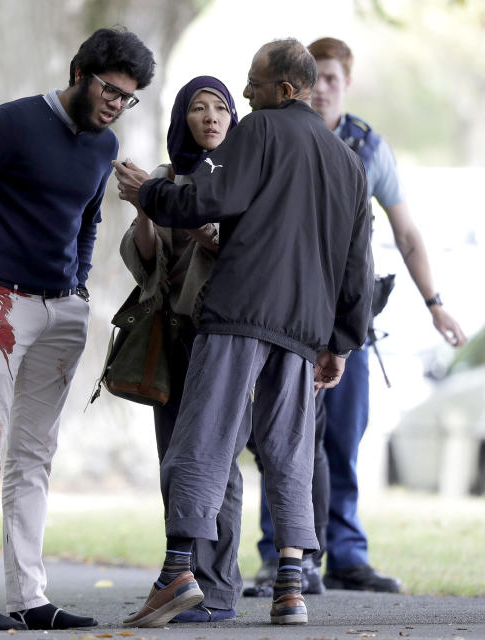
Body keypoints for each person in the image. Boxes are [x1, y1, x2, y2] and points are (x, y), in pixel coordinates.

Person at [113, 39, 373, 626]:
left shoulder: (258, 131)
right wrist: (341, 340)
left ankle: (177, 573)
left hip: (240, 311)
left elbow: (210, 196)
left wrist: (148, 193)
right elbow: (357, 262)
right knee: (289, 452)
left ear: (284, 88)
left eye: (253, 82)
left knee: (201, 440)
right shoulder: (348, 162)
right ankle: (291, 586)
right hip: (304, 330)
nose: (245, 92)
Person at [0, 26, 155, 632]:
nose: (115, 103)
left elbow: (85, 224)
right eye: (109, 89)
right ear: (80, 72)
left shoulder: (104, 148)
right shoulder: (11, 124)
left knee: (34, 455)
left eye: (128, 97)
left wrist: (76, 287)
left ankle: (31, 599)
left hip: (62, 313)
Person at [249, 36, 468, 596]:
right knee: (285, 440)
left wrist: (436, 304)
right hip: (290, 316)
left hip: (350, 320)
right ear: (295, 83)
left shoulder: (368, 147)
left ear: (347, 84)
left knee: (344, 442)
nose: (321, 88)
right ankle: (284, 558)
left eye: (332, 79)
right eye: (314, 77)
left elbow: (407, 233)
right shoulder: (274, 133)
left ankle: (345, 553)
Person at [119, 76, 243, 623]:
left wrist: (194, 224)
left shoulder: (242, 177)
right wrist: (146, 206)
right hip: (171, 334)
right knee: (176, 459)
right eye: (199, 107)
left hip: (222, 334)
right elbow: (146, 261)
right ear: (182, 119)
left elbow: (235, 250)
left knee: (218, 462)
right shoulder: (167, 178)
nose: (211, 117)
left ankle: (217, 589)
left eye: (221, 107)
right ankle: (184, 580)